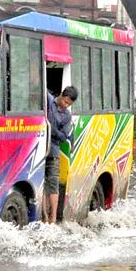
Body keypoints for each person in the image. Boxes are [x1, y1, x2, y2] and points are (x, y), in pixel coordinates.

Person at [45, 86, 77, 224]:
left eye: (69, 104)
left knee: (53, 183)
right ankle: (44, 216)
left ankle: (53, 217)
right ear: (61, 95)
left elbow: (64, 136)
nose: (66, 106)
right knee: (40, 182)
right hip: (38, 147)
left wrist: (51, 129)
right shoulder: (47, 100)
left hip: (53, 149)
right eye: (65, 102)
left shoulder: (67, 115)